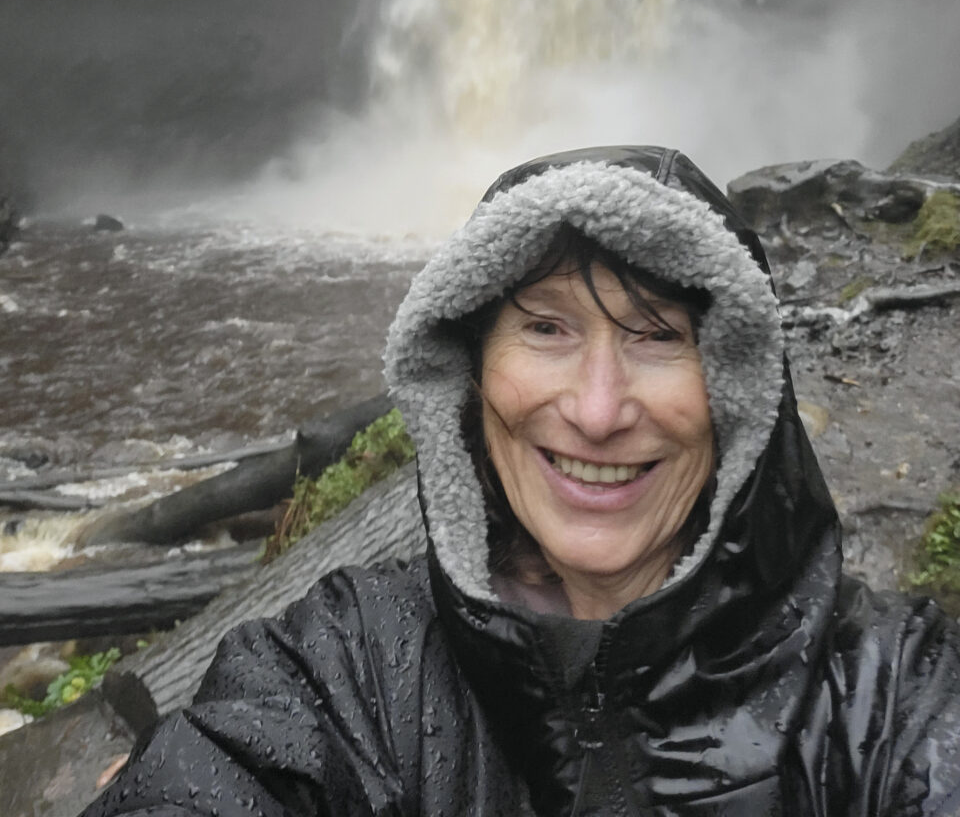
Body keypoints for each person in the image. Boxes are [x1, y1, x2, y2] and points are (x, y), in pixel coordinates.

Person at [84, 146, 960, 816]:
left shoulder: (890, 695)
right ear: (469, 380)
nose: (598, 409)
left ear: (736, 387)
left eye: (658, 335)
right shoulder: (350, 665)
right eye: (545, 328)